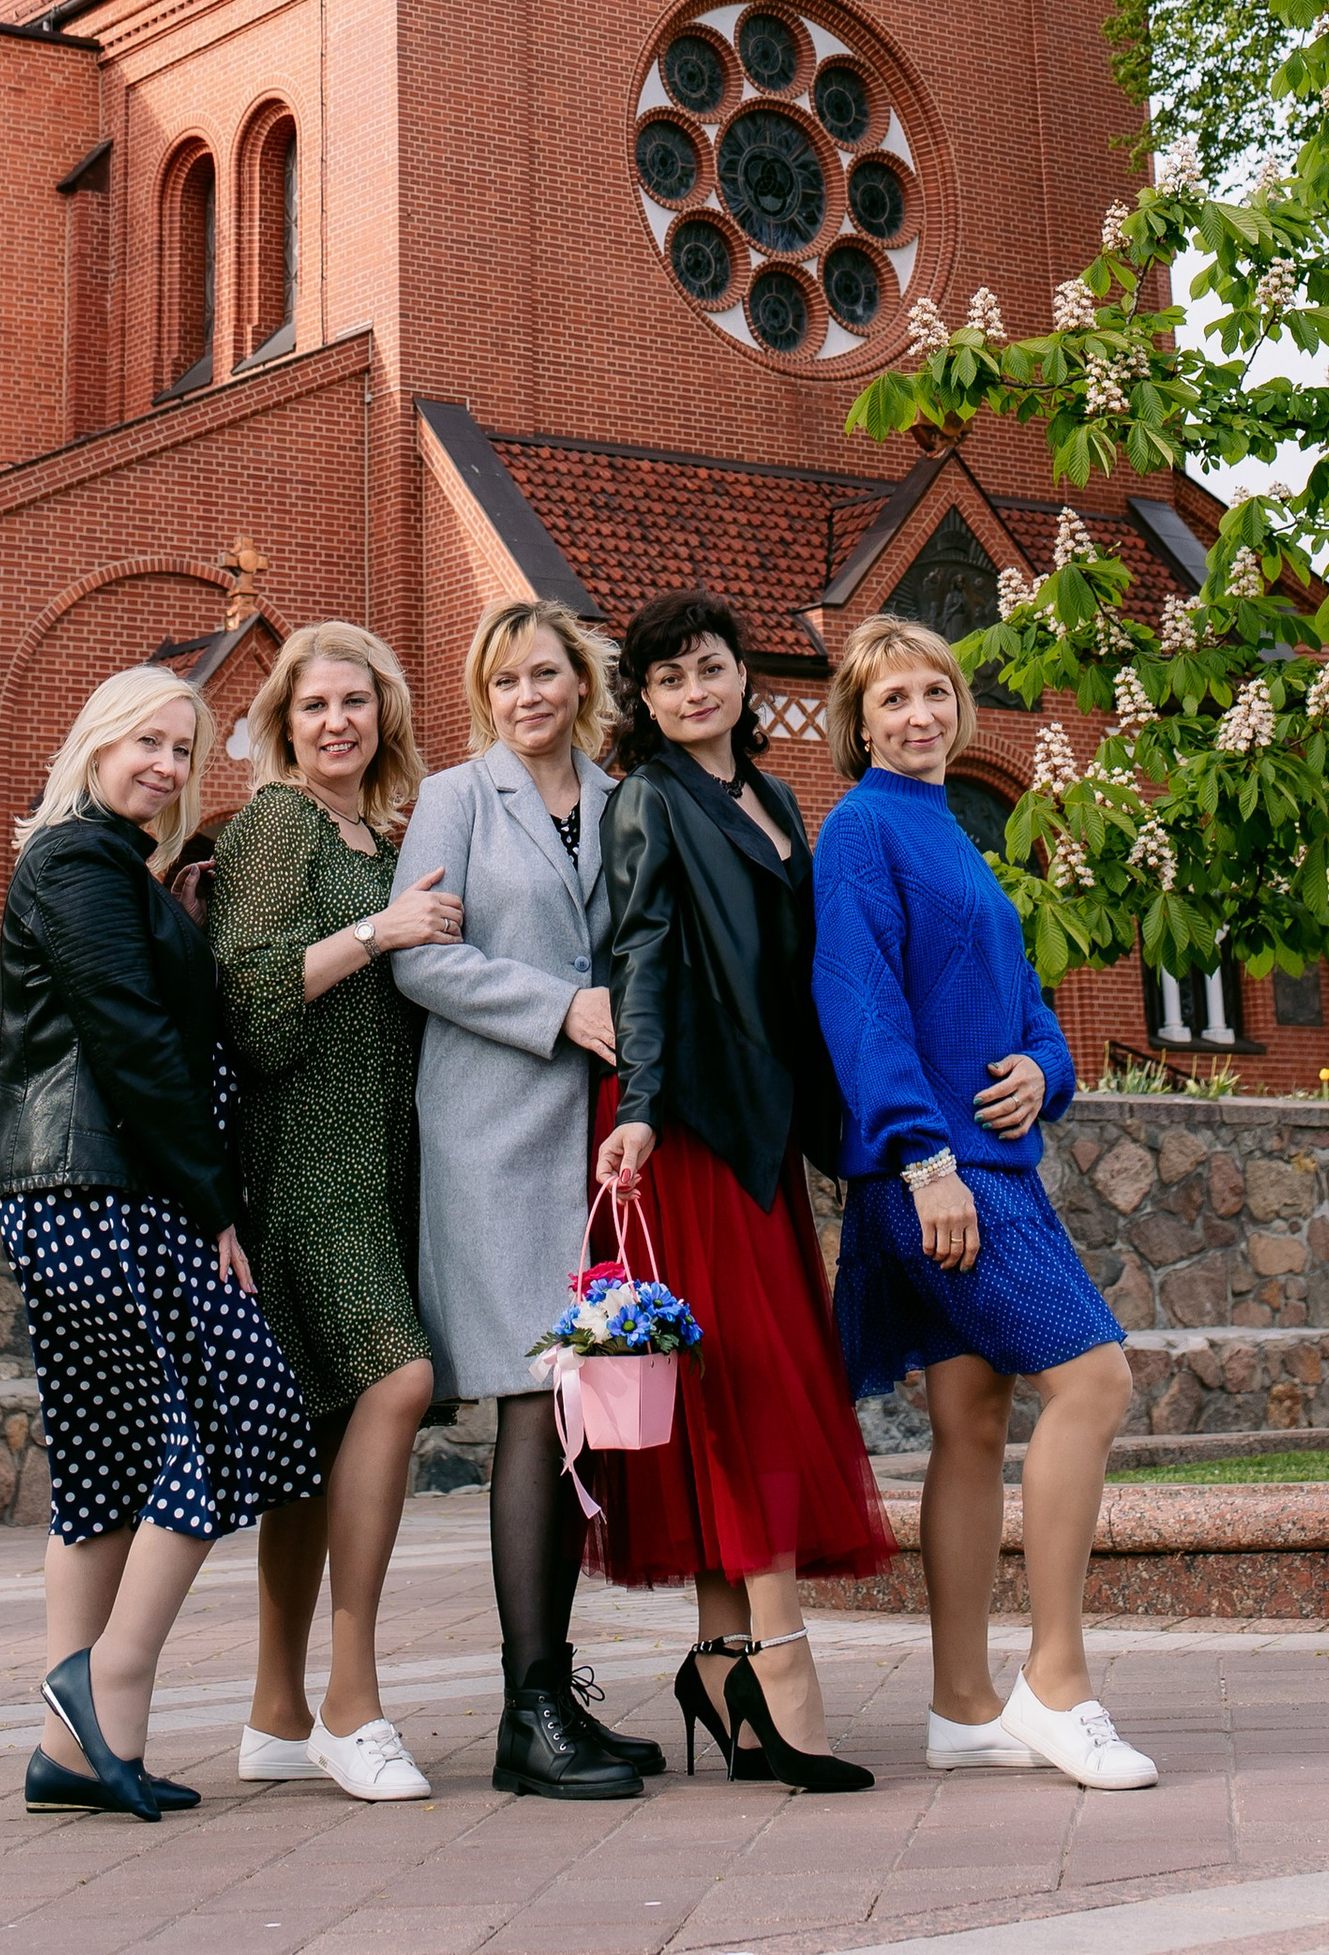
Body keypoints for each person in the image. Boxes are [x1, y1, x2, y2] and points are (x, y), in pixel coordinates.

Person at [812, 612, 1156, 1792]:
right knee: (1094, 1380)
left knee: (970, 1425)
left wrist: (1044, 1072)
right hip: (941, 1178)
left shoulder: (956, 828)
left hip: (990, 1162)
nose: (918, 716)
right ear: (858, 723)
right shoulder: (859, 832)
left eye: (934, 695)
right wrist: (923, 1159)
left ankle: (962, 1704)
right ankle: (1056, 1684)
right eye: (892, 700)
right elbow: (860, 1008)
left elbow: (1027, 1003)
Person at [0, 661, 321, 1827]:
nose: (166, 767)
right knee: (243, 1416)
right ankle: (105, 1680)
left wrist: (181, 909)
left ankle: (67, 1752)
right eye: (147, 743)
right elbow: (126, 1039)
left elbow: (142, 997)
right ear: (94, 740)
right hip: (106, 1190)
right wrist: (215, 1202)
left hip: (83, 1189)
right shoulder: (76, 861)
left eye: (183, 752)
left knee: (108, 1463)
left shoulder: (117, 870)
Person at [593, 588, 891, 1797]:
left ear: (740, 678)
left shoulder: (771, 800)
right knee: (748, 1400)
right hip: (695, 1132)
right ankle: (785, 1675)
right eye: (667, 680)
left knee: (739, 1395)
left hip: (767, 1130)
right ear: (648, 704)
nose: (692, 692)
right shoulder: (648, 802)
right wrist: (642, 1107)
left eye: (708, 668)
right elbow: (642, 960)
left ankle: (718, 1664)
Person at [390, 598, 661, 1802]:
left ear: (580, 684)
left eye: (544, 674)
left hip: (593, 1134)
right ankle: (526, 1713)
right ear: (483, 696)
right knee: (527, 1395)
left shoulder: (619, 801)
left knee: (578, 1404)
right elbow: (418, 957)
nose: (525, 697)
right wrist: (557, 1007)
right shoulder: (456, 797)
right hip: (491, 1126)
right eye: (504, 681)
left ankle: (554, 1690)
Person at [209, 620, 460, 1804]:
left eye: (355, 704)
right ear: (282, 724)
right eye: (313, 707)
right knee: (395, 1378)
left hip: (385, 1162)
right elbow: (251, 1005)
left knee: (318, 1437)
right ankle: (351, 1705)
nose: (336, 724)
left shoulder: (388, 835)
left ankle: (273, 1711)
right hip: (302, 1157)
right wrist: (380, 931)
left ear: (386, 716)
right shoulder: (277, 824)